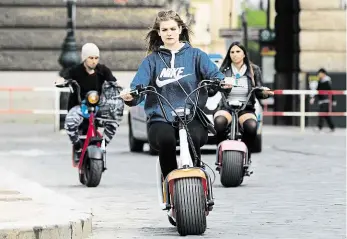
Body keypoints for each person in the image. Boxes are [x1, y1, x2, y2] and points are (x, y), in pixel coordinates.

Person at [120, 10, 225, 179]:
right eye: (165, 30)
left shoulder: (196, 56)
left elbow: (215, 75)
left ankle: (199, 183)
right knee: (166, 141)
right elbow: (138, 85)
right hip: (160, 118)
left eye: (172, 29)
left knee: (193, 139)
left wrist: (222, 81)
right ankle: (169, 183)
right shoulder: (151, 60)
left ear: (180, 30)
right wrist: (131, 95)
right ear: (159, 33)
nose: (169, 33)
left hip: (192, 116)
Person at [55, 43, 124, 160]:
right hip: (79, 106)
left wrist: (121, 87)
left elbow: (113, 81)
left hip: (99, 106)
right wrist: (60, 81)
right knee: (70, 123)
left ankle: (103, 146)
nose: (94, 61)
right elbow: (63, 77)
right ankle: (77, 147)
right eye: (91, 58)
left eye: (96, 58)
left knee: (113, 122)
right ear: (84, 58)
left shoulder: (103, 70)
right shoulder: (75, 71)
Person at [212, 41, 273, 161]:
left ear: (244, 54)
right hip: (226, 107)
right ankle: (221, 150)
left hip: (246, 108)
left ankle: (246, 154)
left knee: (251, 127)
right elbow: (213, 89)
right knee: (219, 123)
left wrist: (265, 94)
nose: (235, 54)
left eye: (238, 51)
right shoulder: (223, 70)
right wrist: (216, 87)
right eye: (232, 52)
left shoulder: (253, 70)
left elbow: (258, 90)